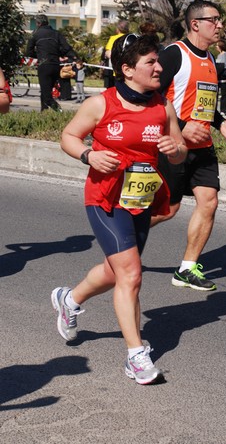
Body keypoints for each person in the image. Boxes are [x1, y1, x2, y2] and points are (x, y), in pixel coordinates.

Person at [51, 33, 187, 384]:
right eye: (151, 63)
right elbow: (68, 136)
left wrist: (176, 147)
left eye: (158, 61)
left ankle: (70, 298)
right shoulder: (101, 104)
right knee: (131, 274)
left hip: (140, 199)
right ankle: (136, 355)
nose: (159, 68)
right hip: (104, 198)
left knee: (116, 271)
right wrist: (89, 154)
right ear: (127, 70)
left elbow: (180, 148)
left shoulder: (163, 105)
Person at [150, 0, 226, 291]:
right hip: (173, 145)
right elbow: (151, 100)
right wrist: (180, 127)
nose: (220, 25)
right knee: (168, 210)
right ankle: (122, 235)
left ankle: (187, 269)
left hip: (202, 146)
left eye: (221, 20)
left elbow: (203, 106)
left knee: (209, 201)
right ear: (195, 24)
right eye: (214, 20)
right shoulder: (173, 55)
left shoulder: (211, 60)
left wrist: (222, 123)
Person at [27, 14, 76, 111]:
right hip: (55, 66)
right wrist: (74, 57)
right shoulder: (56, 33)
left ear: (38, 23)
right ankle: (44, 113)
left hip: (44, 65)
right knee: (46, 92)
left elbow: (29, 51)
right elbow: (66, 48)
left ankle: (59, 111)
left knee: (47, 96)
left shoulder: (35, 34)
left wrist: (39, 56)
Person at [103, 20, 130, 88]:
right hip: (129, 70)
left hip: (116, 70)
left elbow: (109, 53)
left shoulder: (113, 38)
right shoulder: (130, 37)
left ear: (118, 29)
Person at [215, 41, 226, 115]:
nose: (216, 47)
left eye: (217, 45)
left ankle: (223, 110)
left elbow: (222, 66)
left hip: (223, 75)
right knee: (216, 94)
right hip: (218, 75)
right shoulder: (219, 55)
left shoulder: (225, 54)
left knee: (223, 93)